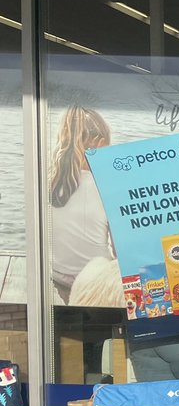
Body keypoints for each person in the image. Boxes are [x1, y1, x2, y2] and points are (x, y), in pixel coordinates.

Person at [48, 106, 114, 305]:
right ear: (100, 144)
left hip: (57, 274)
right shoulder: (107, 185)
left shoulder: (48, 181)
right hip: (95, 282)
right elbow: (120, 249)